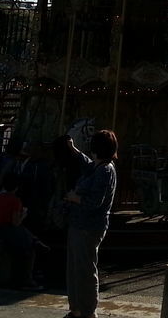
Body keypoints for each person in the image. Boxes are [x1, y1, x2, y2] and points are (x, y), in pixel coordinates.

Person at [64, 129, 118, 318]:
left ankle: (88, 310)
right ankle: (76, 308)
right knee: (75, 268)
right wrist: (74, 150)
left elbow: (96, 201)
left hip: (89, 226)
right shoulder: (97, 166)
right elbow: (86, 162)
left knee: (85, 269)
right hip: (79, 224)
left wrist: (74, 198)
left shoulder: (105, 170)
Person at [0, 171, 40, 290]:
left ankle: (36, 241)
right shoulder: (15, 200)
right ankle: (27, 279)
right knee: (29, 248)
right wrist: (24, 214)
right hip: (8, 231)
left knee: (27, 236)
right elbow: (16, 222)